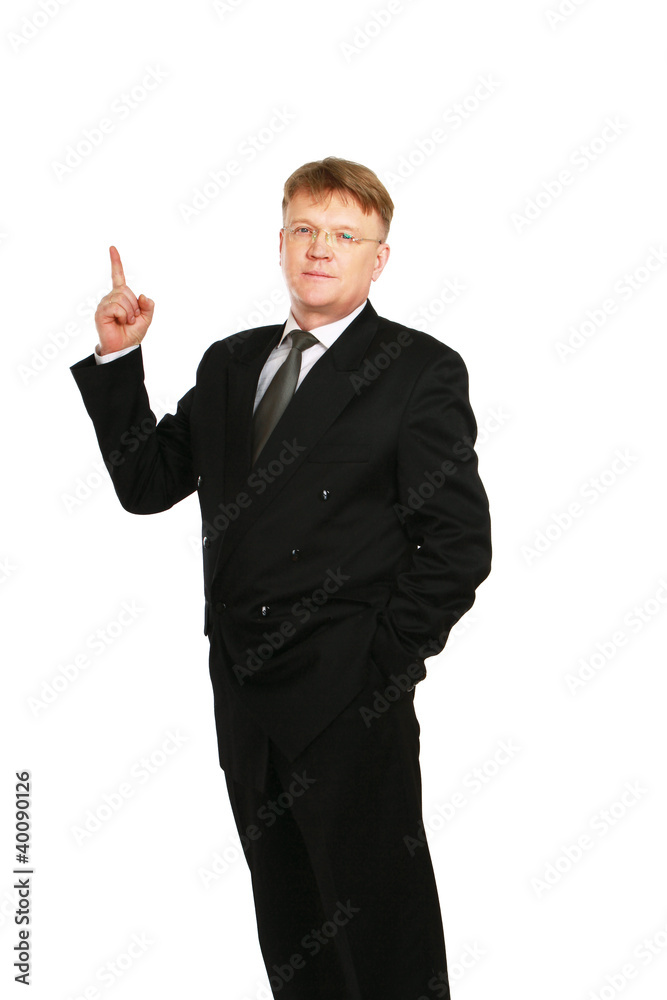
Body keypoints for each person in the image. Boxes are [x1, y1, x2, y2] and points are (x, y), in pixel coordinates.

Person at [70, 156, 492, 999]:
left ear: (379, 257)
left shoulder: (417, 371)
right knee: (291, 926)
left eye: (343, 235)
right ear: (279, 241)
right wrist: (119, 363)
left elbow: (457, 546)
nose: (319, 249)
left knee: (381, 929)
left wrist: (379, 662)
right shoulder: (232, 363)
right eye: (304, 229)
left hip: (350, 697)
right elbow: (148, 484)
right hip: (244, 690)